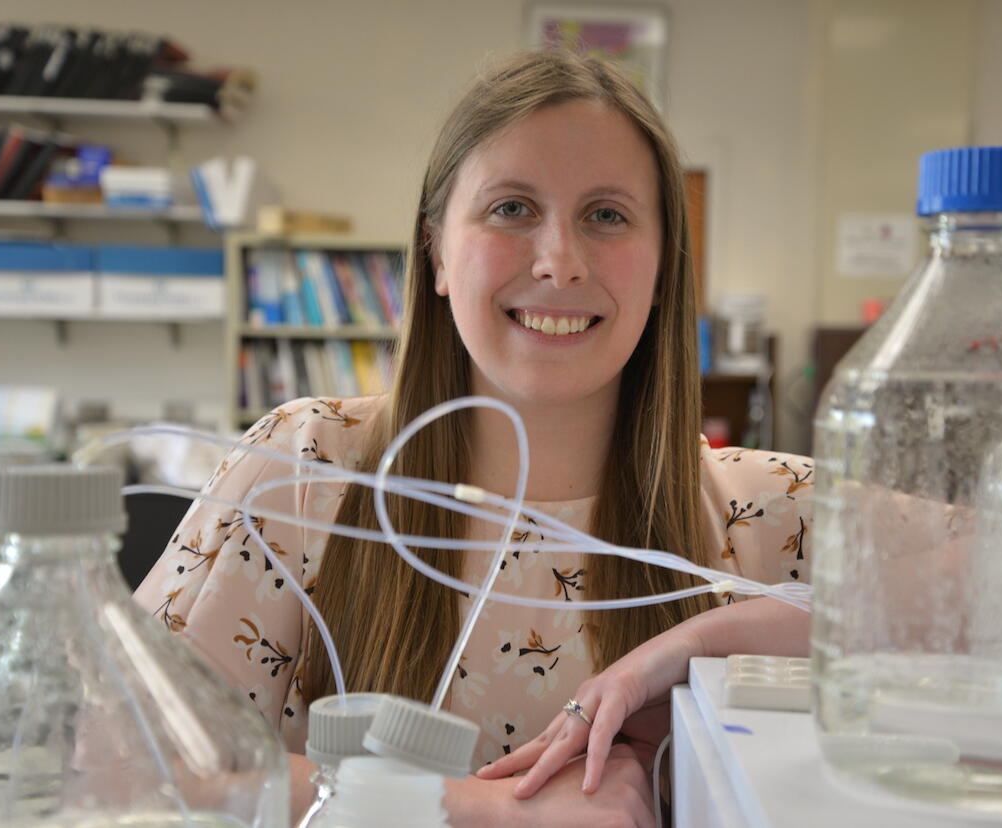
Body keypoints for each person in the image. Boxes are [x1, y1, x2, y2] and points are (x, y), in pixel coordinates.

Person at [133, 48, 814, 826]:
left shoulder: (775, 512)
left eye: (607, 215)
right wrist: (483, 811)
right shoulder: (300, 471)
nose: (559, 262)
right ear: (436, 253)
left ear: (664, 271)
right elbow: (112, 762)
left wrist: (700, 645)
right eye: (512, 208)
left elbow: (978, 618)